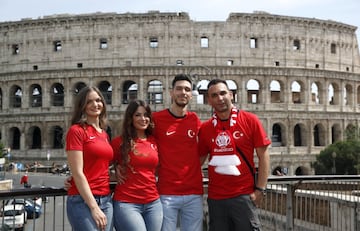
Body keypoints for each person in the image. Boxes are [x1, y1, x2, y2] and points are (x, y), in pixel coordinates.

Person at [198, 79, 271, 231]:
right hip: (216, 198)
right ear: (209, 100)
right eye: (214, 95)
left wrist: (260, 189)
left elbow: (263, 156)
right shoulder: (205, 128)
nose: (220, 98)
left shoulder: (250, 120)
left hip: (243, 195)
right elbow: (197, 161)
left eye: (223, 93)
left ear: (231, 95)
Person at [152, 74, 204, 231]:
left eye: (187, 89)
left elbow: (204, 150)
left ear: (191, 95)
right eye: (179, 89)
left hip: (193, 192)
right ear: (171, 92)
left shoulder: (195, 120)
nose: (183, 92)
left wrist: (192, 166)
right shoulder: (156, 119)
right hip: (166, 192)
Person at [65, 86, 113, 231]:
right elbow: (78, 172)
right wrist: (94, 207)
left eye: (98, 100)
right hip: (83, 200)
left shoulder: (104, 134)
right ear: (82, 106)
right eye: (89, 101)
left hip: (106, 198)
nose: (95, 104)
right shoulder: (76, 131)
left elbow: (100, 167)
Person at [111, 100, 163, 231]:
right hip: (127, 203)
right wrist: (113, 170)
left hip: (153, 202)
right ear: (130, 118)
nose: (143, 119)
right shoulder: (119, 143)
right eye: (137, 115)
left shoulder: (154, 141)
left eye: (146, 115)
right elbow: (99, 164)